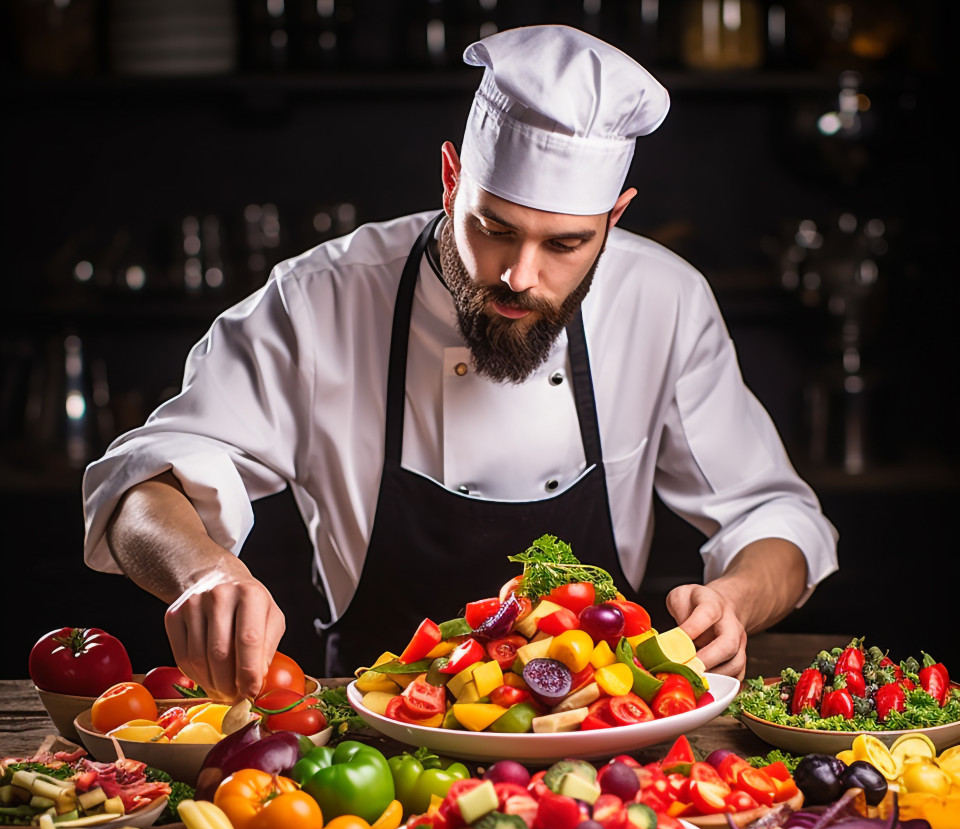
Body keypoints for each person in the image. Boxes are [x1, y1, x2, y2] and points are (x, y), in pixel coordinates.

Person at [82, 25, 838, 702]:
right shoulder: (321, 299)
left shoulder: (664, 300)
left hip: (594, 726)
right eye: (494, 228)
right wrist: (202, 569)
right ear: (450, 180)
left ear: (615, 216)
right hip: (376, 733)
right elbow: (144, 480)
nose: (519, 275)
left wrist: (734, 599)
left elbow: (775, 515)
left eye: (566, 244)